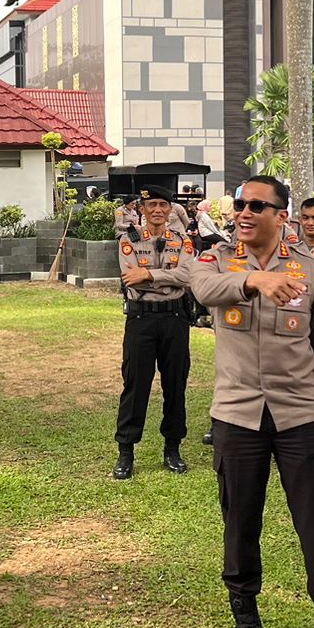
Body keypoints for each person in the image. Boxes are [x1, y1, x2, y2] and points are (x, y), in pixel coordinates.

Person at [190, 174, 314, 628]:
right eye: (240, 204)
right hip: (237, 416)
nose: (243, 213)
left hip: (300, 416)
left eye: (256, 206)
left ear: (280, 216)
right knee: (240, 522)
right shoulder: (218, 260)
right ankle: (246, 621)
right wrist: (253, 280)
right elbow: (201, 288)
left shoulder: (310, 271)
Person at [114, 186, 195, 479]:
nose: (158, 210)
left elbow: (187, 277)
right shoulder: (128, 240)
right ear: (142, 209)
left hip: (174, 318)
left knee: (175, 384)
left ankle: (172, 448)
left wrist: (149, 274)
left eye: (163, 205)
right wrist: (167, 280)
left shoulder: (182, 241)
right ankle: (126, 451)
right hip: (142, 319)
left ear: (170, 210)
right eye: (152, 205)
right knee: (135, 384)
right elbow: (130, 279)